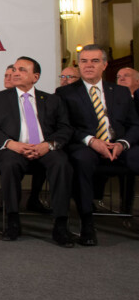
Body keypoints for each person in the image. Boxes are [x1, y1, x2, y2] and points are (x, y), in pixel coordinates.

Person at [0, 57, 74, 246]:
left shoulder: (52, 100)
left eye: (22, 70)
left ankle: (60, 224)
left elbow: (65, 128)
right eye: (15, 69)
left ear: (35, 76)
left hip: (45, 148)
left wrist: (47, 145)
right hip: (14, 148)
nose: (16, 73)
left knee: (62, 164)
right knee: (8, 164)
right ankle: (13, 220)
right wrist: (11, 144)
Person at [56, 44, 139, 245]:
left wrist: (122, 144)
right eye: (84, 61)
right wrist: (91, 141)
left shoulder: (119, 92)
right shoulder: (65, 93)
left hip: (119, 144)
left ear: (104, 65)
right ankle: (87, 222)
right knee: (81, 160)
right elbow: (65, 127)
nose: (88, 66)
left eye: (94, 61)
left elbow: (134, 124)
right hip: (85, 144)